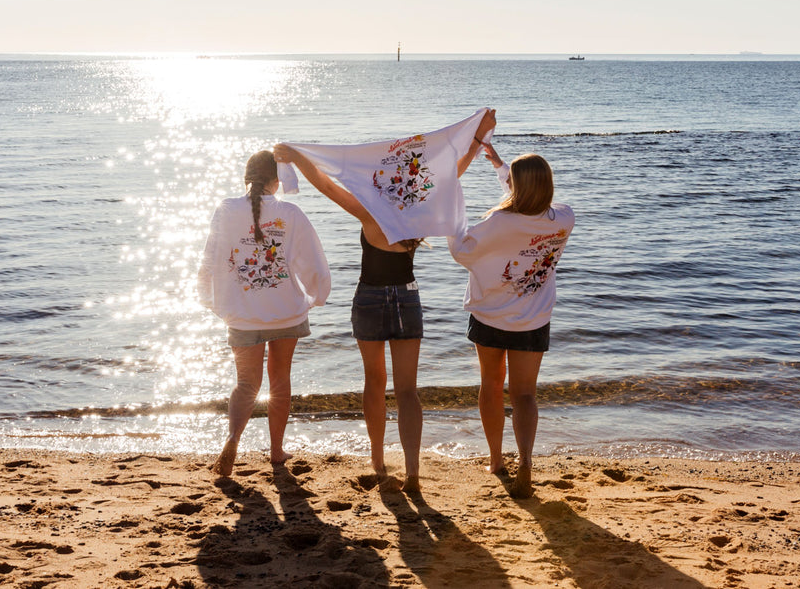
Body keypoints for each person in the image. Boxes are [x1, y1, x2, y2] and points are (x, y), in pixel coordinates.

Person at [275, 110, 495, 491]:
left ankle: (377, 459)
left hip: (369, 299)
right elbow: (449, 174)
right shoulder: (419, 214)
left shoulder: (371, 213)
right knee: (407, 390)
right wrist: (478, 137)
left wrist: (297, 157)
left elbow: (327, 187)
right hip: (407, 299)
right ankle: (411, 470)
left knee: (374, 382)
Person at [448, 144, 574, 498]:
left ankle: (495, 460)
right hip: (533, 320)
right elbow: (530, 207)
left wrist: (450, 219)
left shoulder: (499, 223)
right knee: (525, 395)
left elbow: (462, 251)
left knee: (491, 383)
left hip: (490, 315)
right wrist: (502, 168)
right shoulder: (564, 218)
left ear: (518, 187)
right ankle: (527, 461)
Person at [198, 149, 331, 476]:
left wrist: (214, 302)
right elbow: (311, 261)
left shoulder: (226, 209)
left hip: (243, 317)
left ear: (247, 177)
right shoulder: (290, 212)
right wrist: (316, 296)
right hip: (287, 313)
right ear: (277, 179)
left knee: (246, 384)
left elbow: (210, 262)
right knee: (280, 380)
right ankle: (275, 451)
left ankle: (232, 439)